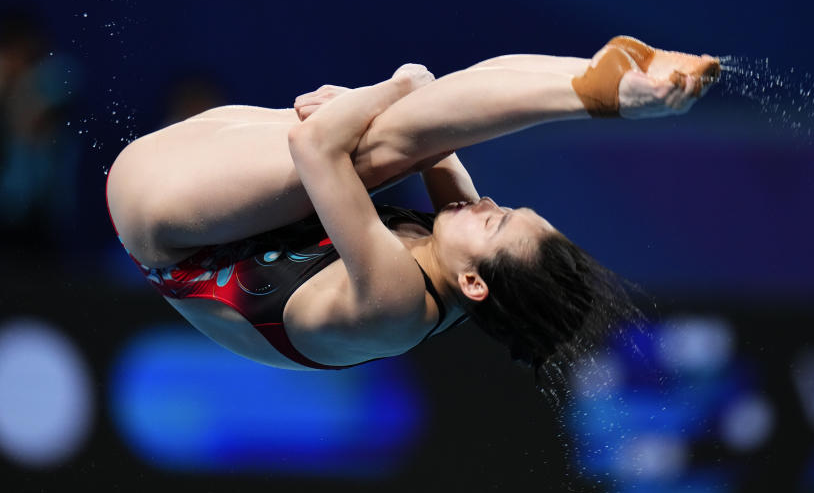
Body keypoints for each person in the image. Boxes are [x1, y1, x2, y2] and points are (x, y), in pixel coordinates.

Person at [105, 36, 720, 375]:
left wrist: (388, 89)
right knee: (408, 130)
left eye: (497, 221)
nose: (489, 204)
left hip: (165, 221)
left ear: (475, 283)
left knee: (392, 131)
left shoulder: (398, 306)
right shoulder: (462, 266)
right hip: (208, 191)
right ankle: (599, 76)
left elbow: (315, 145)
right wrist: (391, 99)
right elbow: (443, 125)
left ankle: (609, 93)